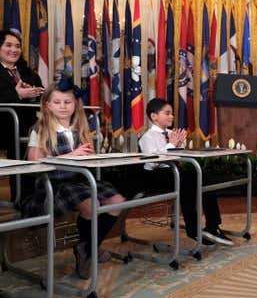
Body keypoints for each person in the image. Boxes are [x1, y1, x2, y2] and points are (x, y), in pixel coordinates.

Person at [24, 79, 126, 279]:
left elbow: (87, 156)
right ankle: (88, 250)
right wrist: (71, 155)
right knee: (91, 204)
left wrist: (89, 157)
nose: (63, 106)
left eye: (67, 102)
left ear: (76, 105)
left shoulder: (80, 127)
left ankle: (87, 247)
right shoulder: (40, 128)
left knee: (117, 201)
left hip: (78, 180)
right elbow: (34, 161)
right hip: (52, 184)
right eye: (57, 102)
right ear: (48, 105)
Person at [138, 98, 233, 246]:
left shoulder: (172, 133)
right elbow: (150, 163)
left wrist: (180, 146)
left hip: (175, 172)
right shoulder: (147, 137)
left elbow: (178, 158)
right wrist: (171, 145)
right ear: (154, 116)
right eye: (167, 113)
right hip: (156, 176)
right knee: (186, 181)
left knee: (203, 175)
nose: (172, 117)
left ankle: (213, 226)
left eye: (172, 114)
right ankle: (193, 229)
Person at [0, 29, 45, 199]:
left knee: (45, 134)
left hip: (28, 123)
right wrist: (17, 95)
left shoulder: (27, 72)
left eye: (17, 46)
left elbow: (40, 94)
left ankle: (46, 196)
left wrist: (36, 93)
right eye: (8, 45)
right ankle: (23, 200)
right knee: (23, 139)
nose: (14, 50)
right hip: (5, 125)